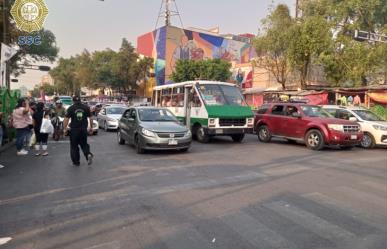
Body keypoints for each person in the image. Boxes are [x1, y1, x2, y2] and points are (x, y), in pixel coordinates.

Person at [63, 96, 93, 166]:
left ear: (73, 101)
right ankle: (88, 154)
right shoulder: (86, 108)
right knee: (84, 144)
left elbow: (66, 119)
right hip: (83, 130)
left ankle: (76, 162)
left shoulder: (71, 108)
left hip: (74, 130)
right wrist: (91, 127)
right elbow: (91, 118)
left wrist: (65, 128)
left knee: (74, 146)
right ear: (80, 100)